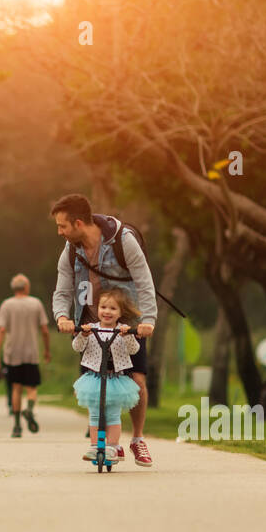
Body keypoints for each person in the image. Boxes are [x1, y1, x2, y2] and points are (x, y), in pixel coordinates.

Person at [50, 193, 158, 468]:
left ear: (78, 223)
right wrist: (62, 316)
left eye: (63, 226)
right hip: (91, 326)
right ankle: (108, 443)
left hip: (126, 324)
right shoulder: (71, 249)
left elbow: (144, 281)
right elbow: (62, 288)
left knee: (136, 381)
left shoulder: (123, 241)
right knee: (97, 385)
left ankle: (137, 439)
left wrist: (148, 320)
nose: (60, 232)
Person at [72, 288, 142, 463]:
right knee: (95, 414)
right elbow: (77, 347)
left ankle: (112, 446)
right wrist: (83, 333)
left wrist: (127, 335)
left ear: (120, 313)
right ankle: (95, 446)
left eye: (112, 308)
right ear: (97, 309)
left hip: (115, 379)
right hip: (94, 378)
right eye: (103, 307)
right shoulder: (91, 329)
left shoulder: (122, 330)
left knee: (112, 415)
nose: (107, 312)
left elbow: (134, 350)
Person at [0, 273, 51, 438]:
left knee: (16, 388)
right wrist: (47, 350)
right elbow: (45, 330)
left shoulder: (7, 304)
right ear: (27, 287)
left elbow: (1, 330)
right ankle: (30, 410)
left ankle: (17, 426)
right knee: (32, 388)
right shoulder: (36, 303)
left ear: (14, 288)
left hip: (12, 354)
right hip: (31, 353)